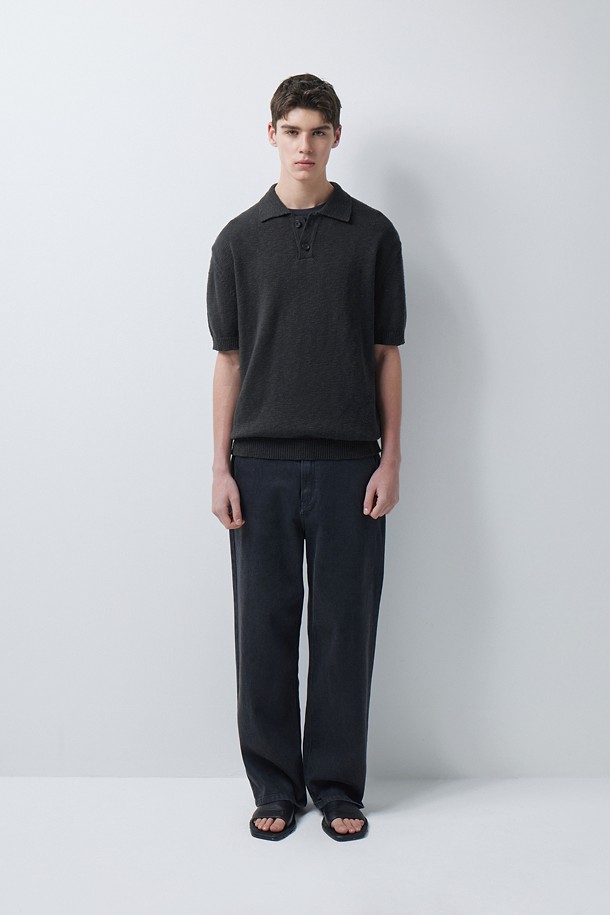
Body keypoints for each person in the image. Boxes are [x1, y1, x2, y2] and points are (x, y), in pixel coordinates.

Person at [206, 73, 406, 841]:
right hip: (258, 466)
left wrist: (391, 459)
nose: (304, 145)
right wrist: (220, 466)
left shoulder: (373, 235)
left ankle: (337, 785)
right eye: (292, 130)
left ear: (336, 138)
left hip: (351, 465)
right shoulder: (238, 240)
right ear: (272, 135)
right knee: (262, 629)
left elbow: (387, 353)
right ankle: (275, 785)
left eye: (318, 131)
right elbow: (228, 360)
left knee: (344, 630)